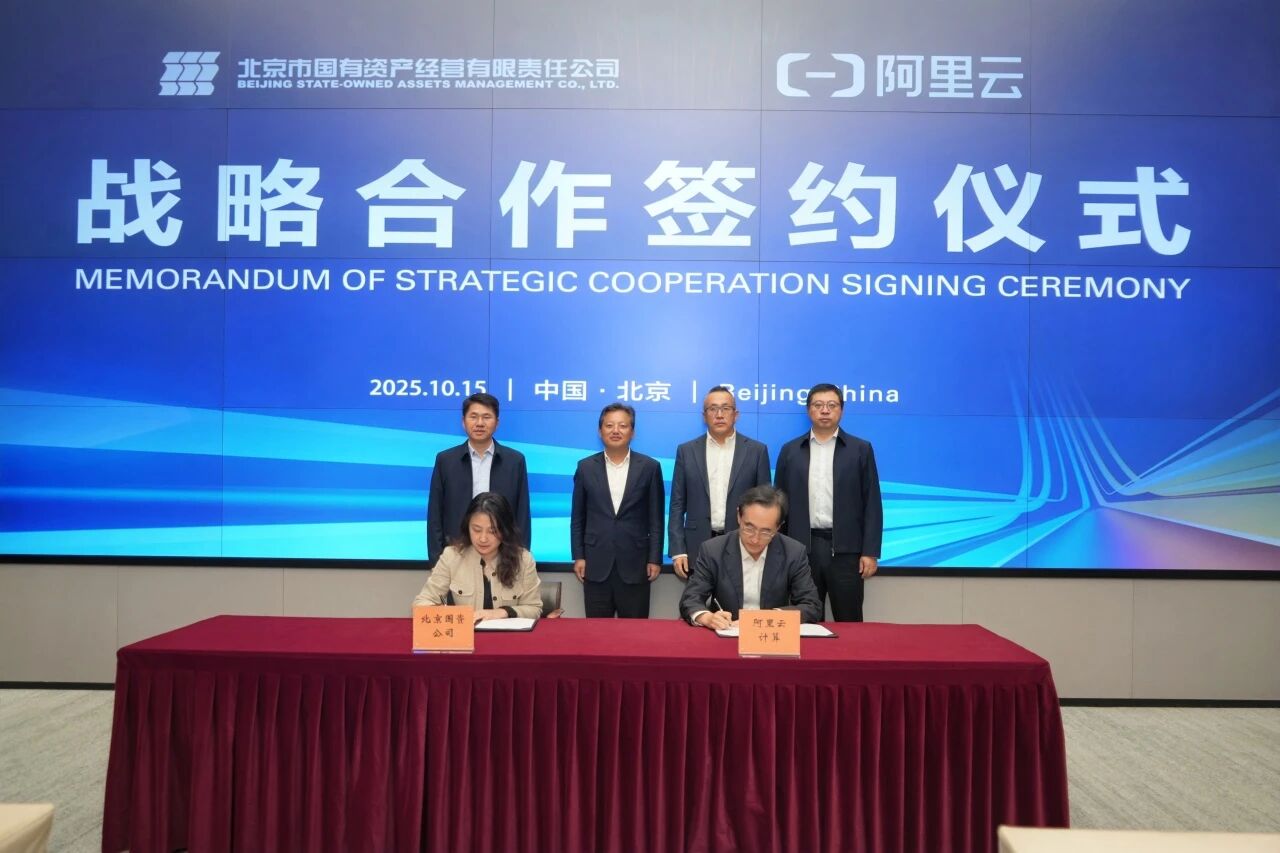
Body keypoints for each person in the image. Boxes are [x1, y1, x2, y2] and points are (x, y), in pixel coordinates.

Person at [773, 383, 883, 622]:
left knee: (850, 619)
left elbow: (872, 503)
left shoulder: (860, 449)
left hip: (846, 551)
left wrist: (870, 552)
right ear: (808, 410)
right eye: (818, 405)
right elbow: (778, 506)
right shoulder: (790, 450)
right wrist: (778, 549)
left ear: (841, 410)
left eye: (832, 405)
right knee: (804, 620)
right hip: (801, 550)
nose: (825, 410)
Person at [680, 485, 822, 628]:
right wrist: (707, 618)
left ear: (778, 527)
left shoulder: (793, 552)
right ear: (739, 516)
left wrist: (769, 618)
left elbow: (811, 605)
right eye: (749, 528)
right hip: (728, 631)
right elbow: (691, 599)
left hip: (771, 634)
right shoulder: (713, 550)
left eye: (766, 532)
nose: (755, 539)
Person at [570, 403, 665, 618]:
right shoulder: (585, 467)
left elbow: (656, 519)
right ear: (600, 430)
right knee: (597, 632)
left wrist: (654, 558)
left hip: (636, 564)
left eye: (622, 425)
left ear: (632, 432)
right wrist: (579, 556)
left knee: (635, 633)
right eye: (609, 425)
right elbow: (578, 518)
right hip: (595, 563)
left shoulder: (650, 467)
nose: (615, 430)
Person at [668, 386, 771, 580]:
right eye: (713, 409)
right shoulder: (686, 451)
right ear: (704, 416)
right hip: (696, 546)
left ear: (736, 414)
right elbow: (677, 505)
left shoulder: (756, 451)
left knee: (738, 598)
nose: (719, 414)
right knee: (698, 598)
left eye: (725, 408)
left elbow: (765, 506)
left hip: (744, 545)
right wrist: (678, 550)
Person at [427, 392, 531, 565]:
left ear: (497, 423)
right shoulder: (446, 460)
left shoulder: (514, 461)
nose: (480, 423)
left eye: (486, 417)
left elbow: (522, 514)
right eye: (473, 416)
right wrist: (436, 560)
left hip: (503, 555)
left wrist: (521, 558)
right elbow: (435, 514)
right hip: (457, 554)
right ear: (463, 421)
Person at [414, 492, 542, 622]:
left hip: (507, 634)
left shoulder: (524, 560)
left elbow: (534, 608)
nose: (483, 538)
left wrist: (504, 612)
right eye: (476, 530)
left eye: (492, 531)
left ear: (505, 530)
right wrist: (449, 615)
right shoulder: (452, 556)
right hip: (465, 634)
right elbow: (422, 603)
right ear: (467, 527)